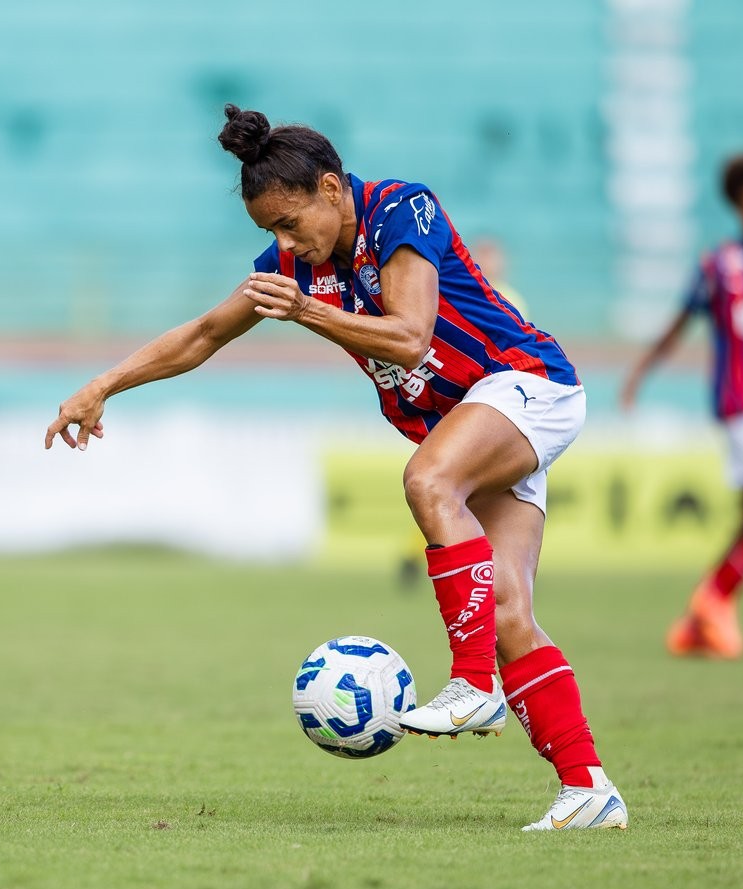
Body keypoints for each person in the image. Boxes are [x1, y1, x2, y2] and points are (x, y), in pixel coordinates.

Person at [45, 106, 627, 831]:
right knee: (506, 612)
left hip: (524, 383)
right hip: (475, 424)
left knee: (427, 479)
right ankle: (588, 788)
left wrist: (303, 312)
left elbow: (412, 337)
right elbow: (201, 335)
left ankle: (473, 685)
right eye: (270, 234)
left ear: (331, 187)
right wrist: (102, 386)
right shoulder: (295, 268)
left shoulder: (400, 209)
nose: (286, 244)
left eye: (292, 224)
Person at [622, 151, 743, 659]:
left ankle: (697, 626)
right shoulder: (718, 264)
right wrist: (638, 375)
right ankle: (714, 596)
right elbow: (679, 326)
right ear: (738, 206)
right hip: (742, 405)